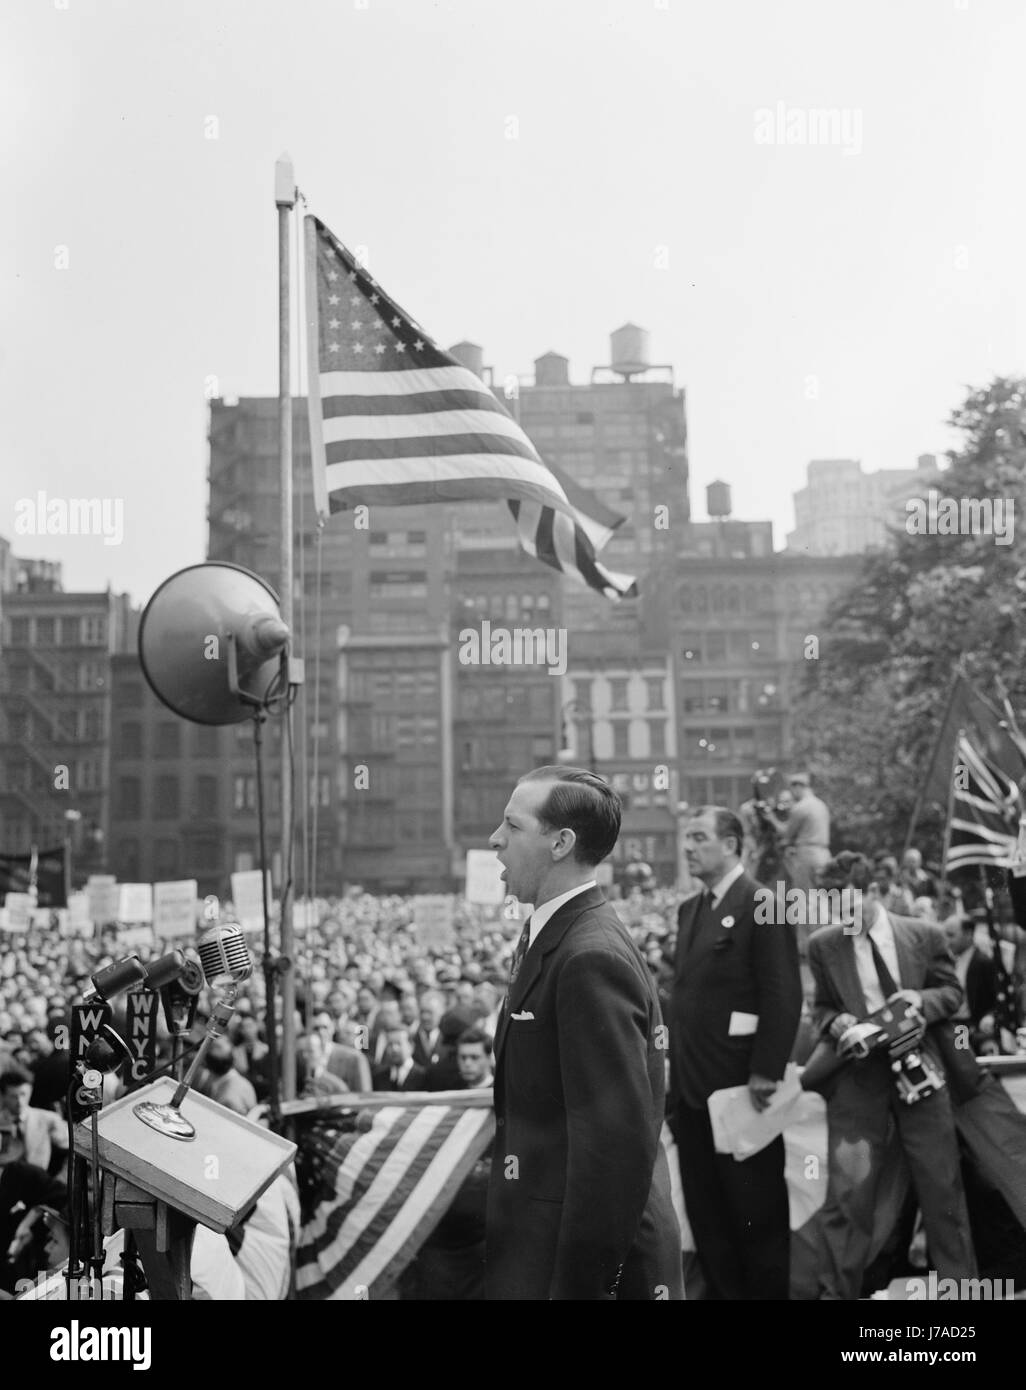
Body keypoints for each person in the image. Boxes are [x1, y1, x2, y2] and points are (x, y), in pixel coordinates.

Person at [485, 764, 682, 1301]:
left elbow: (612, 1149)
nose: (494, 840)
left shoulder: (588, 956)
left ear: (561, 843)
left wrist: (581, 1288)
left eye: (513, 826)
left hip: (581, 1268)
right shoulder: (556, 934)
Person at [806, 853, 977, 1301]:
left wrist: (920, 1000)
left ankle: (962, 1296)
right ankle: (835, 1295)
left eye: (847, 908)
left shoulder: (924, 934)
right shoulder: (823, 946)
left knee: (942, 1190)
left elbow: (953, 993)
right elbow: (821, 1008)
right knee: (848, 1195)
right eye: (832, 910)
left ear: (874, 892)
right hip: (860, 1079)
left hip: (920, 1073)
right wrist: (838, 1023)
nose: (841, 920)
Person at [667, 806, 802, 1300]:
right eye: (686, 838)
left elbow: (783, 993)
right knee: (709, 1224)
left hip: (743, 1094)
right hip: (692, 1096)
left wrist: (766, 1070)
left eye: (699, 837)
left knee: (756, 1223)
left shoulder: (763, 903)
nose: (688, 847)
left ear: (730, 844)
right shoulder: (690, 910)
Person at [942, 912, 997, 1048]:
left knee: (964, 1062)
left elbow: (997, 999)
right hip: (949, 1027)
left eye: (951, 935)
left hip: (969, 1028)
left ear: (968, 934)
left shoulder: (984, 962)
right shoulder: (946, 961)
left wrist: (990, 1016)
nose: (946, 941)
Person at [0, 1067, 68, 1174]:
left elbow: (71, 1147)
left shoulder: (48, 1118)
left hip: (39, 1184)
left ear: (30, 1091)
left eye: (23, 1094)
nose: (19, 1102)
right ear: (3, 1096)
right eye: (13, 1096)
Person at [779, 772, 831, 893]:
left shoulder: (800, 807)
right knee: (822, 896)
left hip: (807, 856)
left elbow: (786, 834)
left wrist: (771, 818)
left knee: (803, 897)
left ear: (797, 787)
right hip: (824, 855)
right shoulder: (821, 805)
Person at [312, 1011, 371, 1092]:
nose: (321, 1032)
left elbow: (365, 1096)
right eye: (316, 1028)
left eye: (325, 1027)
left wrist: (321, 1073)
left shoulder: (355, 1058)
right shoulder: (301, 1056)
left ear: (333, 1027)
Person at [371, 1025, 426, 1092]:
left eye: (399, 1043)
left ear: (411, 1046)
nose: (394, 1049)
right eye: (390, 1044)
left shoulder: (424, 1076)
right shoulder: (378, 1076)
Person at [411, 991, 444, 1068]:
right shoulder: (411, 1038)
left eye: (430, 1012)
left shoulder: (446, 1040)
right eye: (422, 1012)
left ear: (440, 1013)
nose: (425, 1017)